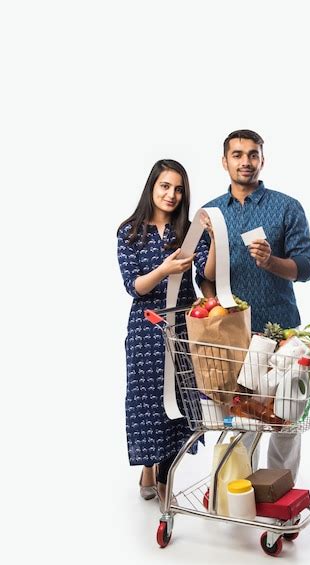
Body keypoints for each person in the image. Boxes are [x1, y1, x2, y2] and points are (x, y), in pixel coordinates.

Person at [201, 129, 310, 480]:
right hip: (235, 336)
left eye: (252, 154)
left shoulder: (286, 207)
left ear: (262, 160)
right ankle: (241, 490)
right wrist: (213, 318)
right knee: (241, 419)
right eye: (237, 154)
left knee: (284, 417)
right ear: (225, 161)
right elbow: (203, 278)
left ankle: (280, 488)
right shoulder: (211, 213)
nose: (245, 161)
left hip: (282, 330)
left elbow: (306, 267)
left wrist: (271, 263)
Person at [117, 159, 215, 509]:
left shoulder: (189, 232)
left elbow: (206, 270)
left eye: (178, 189)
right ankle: (147, 468)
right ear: (152, 187)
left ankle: (164, 477)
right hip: (146, 330)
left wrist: (214, 239)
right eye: (165, 186)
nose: (171, 194)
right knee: (148, 403)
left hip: (184, 329)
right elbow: (135, 287)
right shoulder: (129, 232)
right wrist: (165, 269)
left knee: (180, 403)